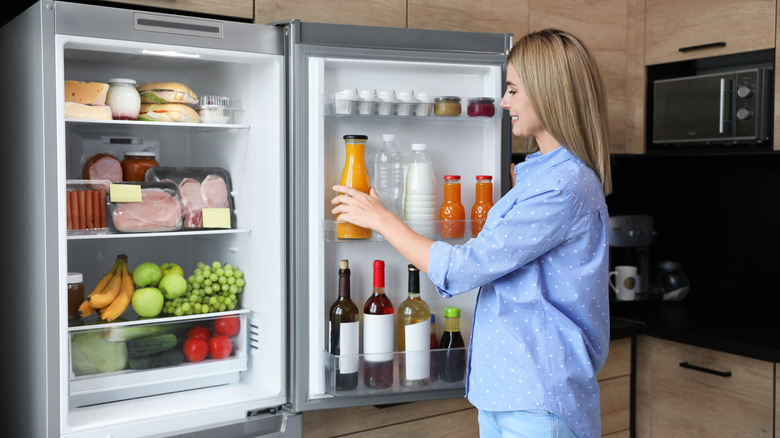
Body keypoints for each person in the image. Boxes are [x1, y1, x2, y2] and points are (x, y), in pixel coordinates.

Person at [331, 28, 612, 438]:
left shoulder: (562, 185)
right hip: (502, 394)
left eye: (513, 90)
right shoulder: (543, 176)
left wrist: (382, 218)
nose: (504, 102)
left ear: (547, 91)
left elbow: (464, 269)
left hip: (538, 400)